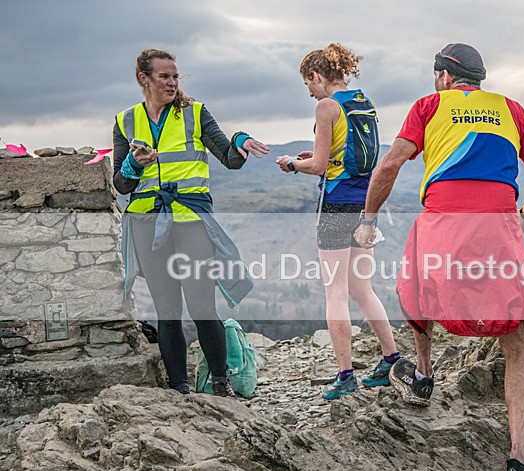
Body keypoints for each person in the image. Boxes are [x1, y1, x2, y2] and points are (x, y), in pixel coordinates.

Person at [354, 43, 524, 471]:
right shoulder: (511, 110)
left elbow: (390, 164)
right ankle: (520, 461)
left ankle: (422, 376)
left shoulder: (428, 107)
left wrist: (368, 220)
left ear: (445, 77)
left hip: (442, 225)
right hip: (497, 230)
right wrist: (523, 218)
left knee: (416, 286)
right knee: (516, 340)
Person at [113, 48, 269, 398]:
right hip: (147, 223)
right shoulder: (125, 121)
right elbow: (120, 185)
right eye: (164, 76)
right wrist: (134, 165)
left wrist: (241, 139)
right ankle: (179, 390)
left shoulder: (195, 113)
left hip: (191, 221)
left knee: (201, 306)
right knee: (167, 310)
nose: (172, 82)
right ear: (144, 79)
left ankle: (220, 383)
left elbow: (230, 158)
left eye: (175, 76)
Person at [275, 43, 400, 400]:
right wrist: (318, 155)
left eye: (308, 84)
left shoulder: (326, 106)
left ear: (317, 76)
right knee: (362, 288)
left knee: (335, 293)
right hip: (365, 206)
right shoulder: (364, 102)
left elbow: (318, 166)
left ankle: (345, 375)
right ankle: (391, 358)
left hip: (335, 206)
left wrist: (291, 163)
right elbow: (347, 154)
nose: (309, 92)